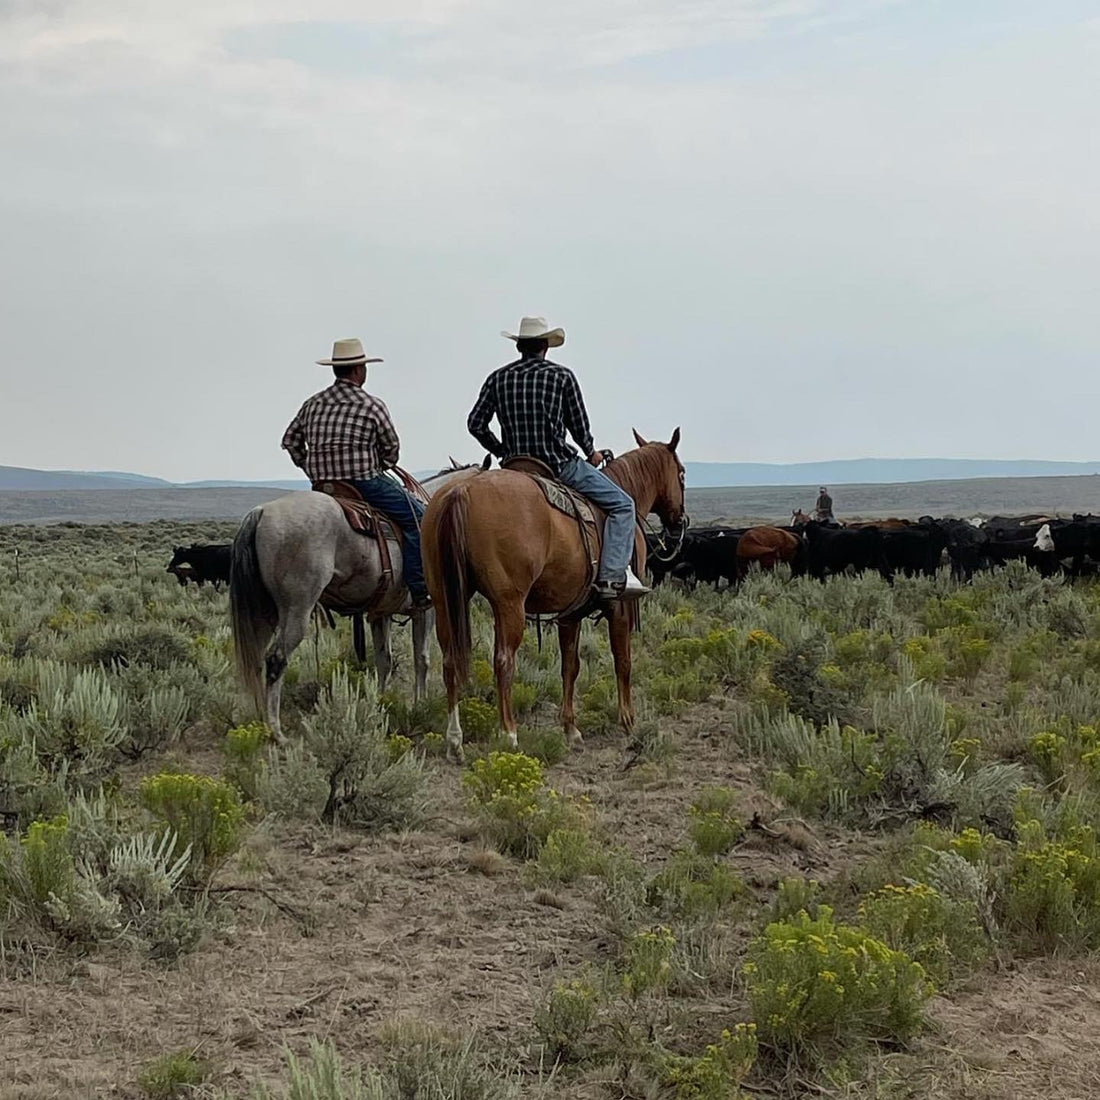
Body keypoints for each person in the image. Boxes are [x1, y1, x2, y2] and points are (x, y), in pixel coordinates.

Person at [467, 316, 648, 602]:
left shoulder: (497, 378)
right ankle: (612, 576)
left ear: (520, 347)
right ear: (545, 347)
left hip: (516, 466)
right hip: (557, 466)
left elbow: (475, 423)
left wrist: (503, 451)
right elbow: (579, 427)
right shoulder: (561, 377)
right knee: (623, 505)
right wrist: (592, 453)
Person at [281, 337, 431, 610]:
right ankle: (420, 589)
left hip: (324, 486)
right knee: (417, 517)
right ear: (359, 370)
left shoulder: (312, 404)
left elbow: (290, 440)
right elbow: (391, 448)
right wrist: (383, 461)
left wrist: (309, 466)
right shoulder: (371, 405)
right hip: (365, 483)